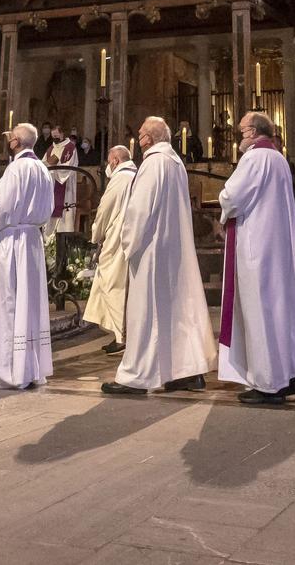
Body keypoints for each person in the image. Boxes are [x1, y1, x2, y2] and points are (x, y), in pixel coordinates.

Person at [104, 116, 214, 395]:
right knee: (175, 312)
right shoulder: (175, 162)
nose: (139, 139)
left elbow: (139, 210)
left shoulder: (153, 163)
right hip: (173, 248)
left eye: (140, 134)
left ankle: (136, 377)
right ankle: (185, 371)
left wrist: (128, 244)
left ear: (147, 139)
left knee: (145, 312)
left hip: (152, 249)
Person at [216, 113, 295, 405]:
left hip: (256, 248)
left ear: (252, 131)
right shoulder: (277, 159)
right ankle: (293, 373)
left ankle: (268, 383)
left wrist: (222, 197)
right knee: (280, 312)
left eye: (241, 131)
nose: (239, 137)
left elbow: (232, 196)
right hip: (276, 247)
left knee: (261, 314)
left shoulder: (254, 159)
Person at [0, 123, 54, 390]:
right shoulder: (42, 169)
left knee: (9, 301)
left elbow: (1, 207)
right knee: (29, 303)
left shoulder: (17, 169)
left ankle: (8, 370)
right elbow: (48, 209)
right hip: (32, 240)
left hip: (13, 241)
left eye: (10, 137)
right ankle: (30, 368)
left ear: (15, 142)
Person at [84, 144, 137, 355]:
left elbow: (105, 209)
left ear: (115, 160)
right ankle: (120, 334)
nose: (108, 165)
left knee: (113, 286)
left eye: (109, 161)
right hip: (131, 237)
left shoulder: (120, 178)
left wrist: (96, 234)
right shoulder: (137, 174)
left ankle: (121, 336)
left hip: (117, 238)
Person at [47, 123, 81, 236]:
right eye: (53, 136)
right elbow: (44, 163)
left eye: (57, 135)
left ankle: (64, 238)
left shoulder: (70, 148)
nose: (55, 138)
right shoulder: (51, 148)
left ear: (62, 134)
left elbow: (67, 168)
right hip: (51, 186)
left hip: (65, 186)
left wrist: (53, 169)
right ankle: (49, 240)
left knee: (65, 213)